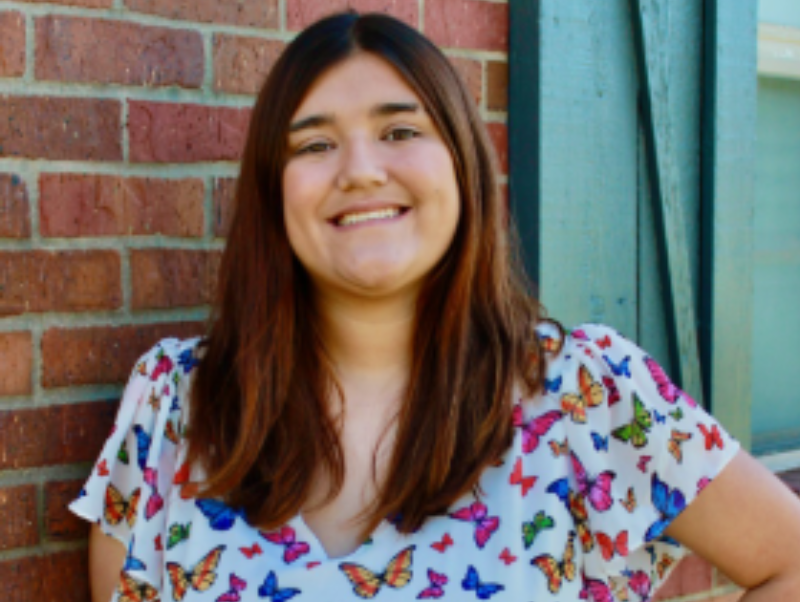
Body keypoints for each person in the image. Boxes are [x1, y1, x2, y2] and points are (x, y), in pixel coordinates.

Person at [70, 11, 800, 602]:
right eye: (315, 144)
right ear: (272, 190)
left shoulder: (586, 395)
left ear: (462, 165)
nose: (360, 170)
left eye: (400, 132)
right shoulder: (175, 407)